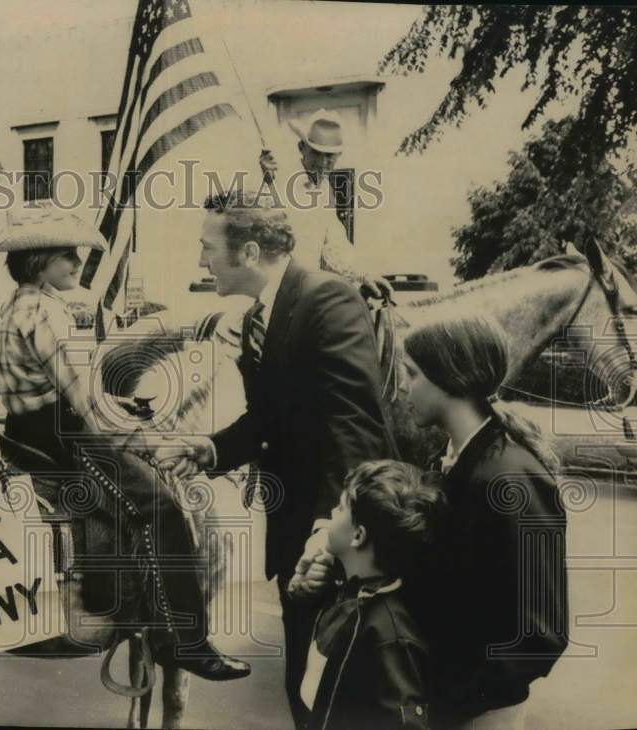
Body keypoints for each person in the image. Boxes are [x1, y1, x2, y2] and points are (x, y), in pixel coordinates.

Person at [163, 189, 394, 727]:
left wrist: (328, 535)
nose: (201, 260)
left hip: (334, 544)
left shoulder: (327, 300)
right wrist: (212, 448)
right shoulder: (258, 318)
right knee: (305, 690)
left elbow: (355, 429)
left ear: (247, 252)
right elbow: (271, 422)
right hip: (298, 541)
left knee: (338, 699)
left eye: (207, 248)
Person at [0, 206, 250, 681]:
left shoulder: (13, 305)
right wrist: (151, 440)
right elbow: (88, 408)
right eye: (66, 254)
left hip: (25, 436)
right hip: (68, 443)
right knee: (163, 508)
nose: (77, 261)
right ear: (39, 262)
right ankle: (184, 642)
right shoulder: (44, 313)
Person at [401, 313, 568, 729]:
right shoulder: (455, 460)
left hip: (478, 710)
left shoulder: (507, 479)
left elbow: (539, 633)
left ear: (448, 377)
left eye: (412, 374)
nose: (403, 386)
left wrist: (454, 697)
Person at [300, 460, 443, 730]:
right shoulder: (350, 591)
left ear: (358, 536)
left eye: (341, 507)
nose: (332, 511)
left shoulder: (390, 634)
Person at [260, 108, 392, 300]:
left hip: (307, 291)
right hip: (276, 291)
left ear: (338, 156)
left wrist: (364, 275)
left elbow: (334, 242)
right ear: (301, 148)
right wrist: (267, 180)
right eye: (316, 153)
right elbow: (264, 224)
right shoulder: (280, 178)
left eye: (329, 156)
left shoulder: (323, 188)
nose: (322, 163)